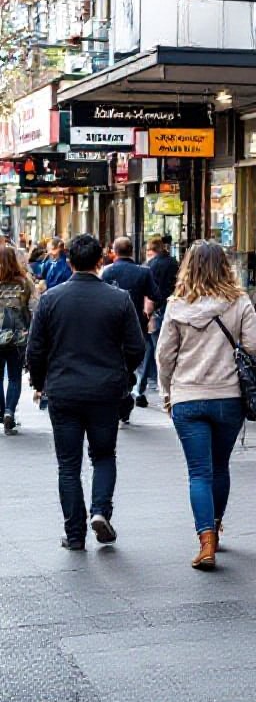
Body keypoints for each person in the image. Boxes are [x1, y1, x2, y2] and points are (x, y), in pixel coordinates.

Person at [25, 234, 146, 550]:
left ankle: (75, 534)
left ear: (68, 263)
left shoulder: (51, 299)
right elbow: (136, 347)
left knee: (68, 464)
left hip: (63, 390)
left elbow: (35, 349)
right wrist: (123, 376)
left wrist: (40, 382)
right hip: (105, 390)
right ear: (100, 262)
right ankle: (100, 511)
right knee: (104, 455)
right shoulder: (118, 299)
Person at [156, 240, 256, 570]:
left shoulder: (176, 305)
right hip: (228, 396)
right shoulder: (239, 301)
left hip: (188, 397)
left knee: (199, 472)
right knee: (220, 466)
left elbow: (164, 355)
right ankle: (215, 529)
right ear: (224, 266)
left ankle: (205, 542)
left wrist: (166, 392)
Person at [102, 237, 162, 422]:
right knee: (134, 362)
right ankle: (127, 393)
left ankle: (121, 396)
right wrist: (146, 314)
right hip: (136, 326)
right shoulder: (143, 273)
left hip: (111, 327)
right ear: (132, 251)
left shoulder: (107, 272)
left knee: (115, 362)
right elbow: (156, 295)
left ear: (115, 251)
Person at [136, 235, 179, 404]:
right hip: (170, 309)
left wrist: (149, 312)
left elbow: (149, 293)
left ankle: (145, 387)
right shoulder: (173, 262)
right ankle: (148, 386)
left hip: (156, 311)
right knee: (162, 350)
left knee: (154, 350)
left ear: (151, 250)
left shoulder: (150, 266)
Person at [0, 247, 34, 435]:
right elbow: (34, 307)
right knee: (14, 377)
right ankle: (9, 412)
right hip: (18, 336)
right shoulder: (24, 283)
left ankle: (1, 411)